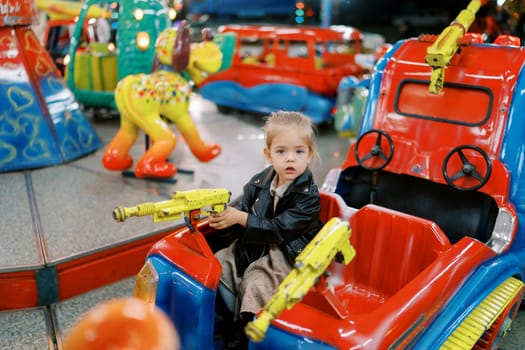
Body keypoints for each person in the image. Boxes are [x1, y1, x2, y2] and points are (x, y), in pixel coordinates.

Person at [209, 111, 324, 349]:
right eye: (281, 151)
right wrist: (222, 220)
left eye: (299, 152)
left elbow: (279, 230)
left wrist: (240, 217)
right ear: (268, 154)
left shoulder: (308, 197)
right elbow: (241, 209)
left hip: (285, 251)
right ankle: (223, 327)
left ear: (309, 155)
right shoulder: (260, 181)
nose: (290, 159)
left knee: (256, 283)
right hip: (253, 243)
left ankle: (248, 338)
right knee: (217, 264)